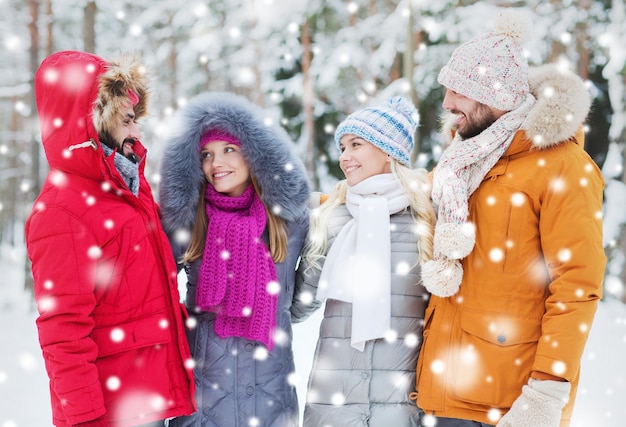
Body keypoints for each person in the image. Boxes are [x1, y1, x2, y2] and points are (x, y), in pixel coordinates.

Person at [412, 9, 606, 427]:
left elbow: (576, 286)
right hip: (443, 391)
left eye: (459, 92)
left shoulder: (564, 167)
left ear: (496, 97)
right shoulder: (462, 161)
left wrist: (546, 392)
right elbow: (405, 196)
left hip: (507, 404)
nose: (447, 104)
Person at [25, 50, 196, 427]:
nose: (136, 132)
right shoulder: (62, 210)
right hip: (113, 410)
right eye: (127, 120)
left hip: (149, 396)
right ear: (91, 121)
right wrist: (84, 417)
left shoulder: (127, 189)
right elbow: (63, 331)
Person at [158, 91, 311, 427]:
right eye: (206, 155)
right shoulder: (189, 220)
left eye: (229, 150)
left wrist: (277, 310)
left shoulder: (290, 220)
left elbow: (308, 290)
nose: (216, 164)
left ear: (254, 154)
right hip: (205, 392)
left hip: (270, 389)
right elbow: (158, 292)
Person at [291, 96, 437, 426]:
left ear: (389, 151)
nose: (345, 157)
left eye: (356, 144)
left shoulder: (427, 218)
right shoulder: (333, 217)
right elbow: (299, 304)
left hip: (401, 400)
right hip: (335, 400)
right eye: (342, 147)